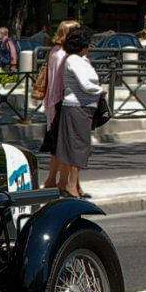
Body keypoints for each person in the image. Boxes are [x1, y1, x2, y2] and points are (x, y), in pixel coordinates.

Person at [53, 27, 100, 198]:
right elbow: (87, 85)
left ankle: (67, 184)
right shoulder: (74, 60)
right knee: (77, 147)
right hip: (76, 107)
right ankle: (70, 186)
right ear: (82, 44)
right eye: (87, 43)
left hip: (81, 107)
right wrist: (101, 90)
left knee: (74, 146)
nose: (90, 47)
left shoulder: (80, 60)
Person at [41, 19, 80, 190]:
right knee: (65, 146)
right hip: (62, 102)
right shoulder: (65, 54)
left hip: (52, 101)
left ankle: (52, 180)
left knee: (57, 145)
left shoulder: (55, 51)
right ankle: (64, 183)